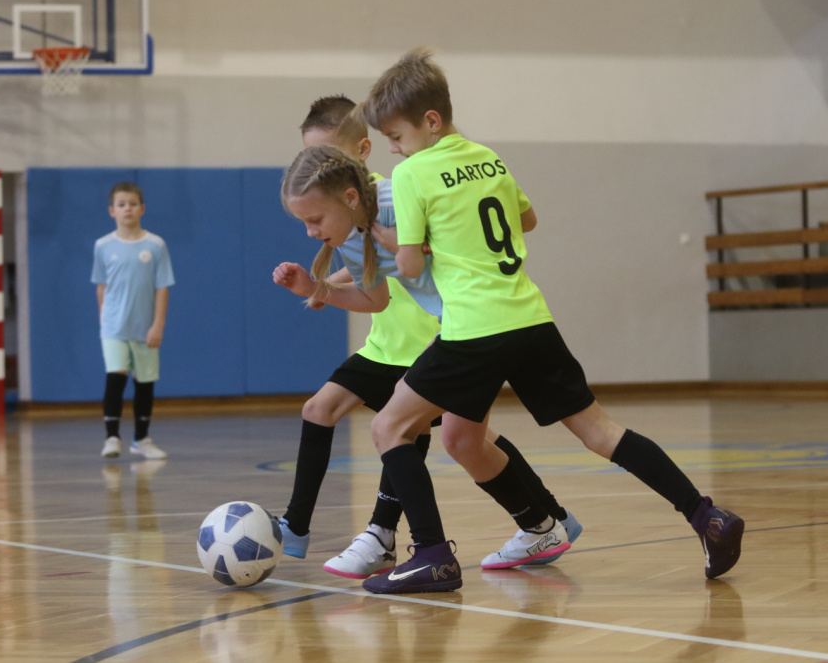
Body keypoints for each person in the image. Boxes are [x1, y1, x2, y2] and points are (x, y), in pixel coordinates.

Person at [351, 47, 744, 595]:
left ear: (430, 121)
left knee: (388, 426)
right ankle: (706, 517)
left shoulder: (413, 172)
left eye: (396, 136)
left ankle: (432, 556)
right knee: (581, 433)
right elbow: (528, 219)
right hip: (531, 320)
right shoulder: (489, 158)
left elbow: (411, 265)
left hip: (475, 330)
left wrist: (385, 238)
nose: (394, 148)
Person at [274, 97, 582, 580]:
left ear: (360, 152)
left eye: (326, 155)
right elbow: (374, 284)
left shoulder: (400, 193)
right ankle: (542, 520)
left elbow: (435, 250)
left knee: (437, 434)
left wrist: (343, 277)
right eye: (307, 157)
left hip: (443, 334)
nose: (315, 166)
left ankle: (399, 538)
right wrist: (319, 287)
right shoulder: (342, 222)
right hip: (388, 341)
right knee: (409, 428)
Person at [92, 182, 174, 460]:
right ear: (112, 211)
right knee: (115, 377)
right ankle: (111, 437)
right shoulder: (103, 246)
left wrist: (158, 324)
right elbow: (101, 286)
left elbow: (162, 287)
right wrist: (104, 320)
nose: (127, 208)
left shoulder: (155, 245)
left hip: (144, 328)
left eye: (132, 204)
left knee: (145, 382)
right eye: (121, 204)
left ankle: (141, 439)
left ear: (142, 209)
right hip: (113, 328)